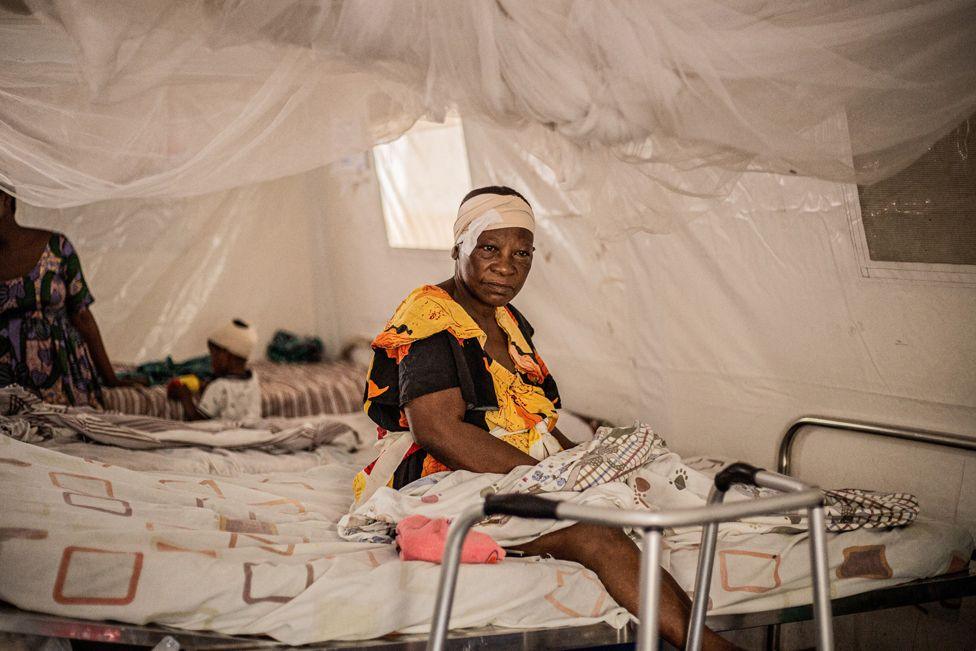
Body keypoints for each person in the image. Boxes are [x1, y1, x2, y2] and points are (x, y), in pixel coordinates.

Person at [354, 186, 736, 649]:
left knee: (649, 489)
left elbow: (531, 418)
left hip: (508, 467)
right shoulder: (430, 317)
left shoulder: (507, 320)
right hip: (445, 475)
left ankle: (699, 633)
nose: (506, 266)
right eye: (489, 248)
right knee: (594, 534)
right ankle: (709, 646)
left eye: (522, 254)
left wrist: (589, 465)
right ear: (458, 247)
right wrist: (551, 479)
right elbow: (437, 429)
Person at [0, 187, 131, 406]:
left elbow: (82, 317)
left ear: (5, 200)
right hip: (7, 393)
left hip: (64, 382)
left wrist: (111, 380)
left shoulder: (57, 247)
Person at [168, 319, 261, 421]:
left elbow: (198, 421)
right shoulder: (253, 380)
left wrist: (185, 397)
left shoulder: (218, 386)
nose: (211, 362)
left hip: (223, 435)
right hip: (248, 434)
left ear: (226, 357)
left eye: (213, 356)